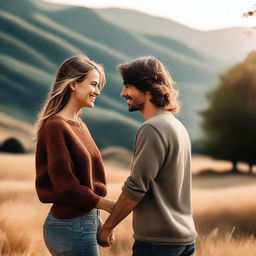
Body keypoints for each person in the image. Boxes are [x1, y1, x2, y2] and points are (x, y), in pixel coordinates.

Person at [98, 56, 197, 256]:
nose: (123, 92)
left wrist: (107, 227)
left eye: (128, 86)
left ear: (147, 87)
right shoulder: (177, 126)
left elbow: (135, 187)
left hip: (158, 244)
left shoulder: (152, 128)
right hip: (185, 240)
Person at [35, 55, 115, 256]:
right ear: (73, 84)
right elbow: (66, 186)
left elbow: (84, 183)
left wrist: (96, 219)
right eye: (93, 84)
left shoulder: (79, 125)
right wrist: (109, 206)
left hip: (80, 221)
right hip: (70, 225)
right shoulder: (55, 126)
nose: (97, 92)